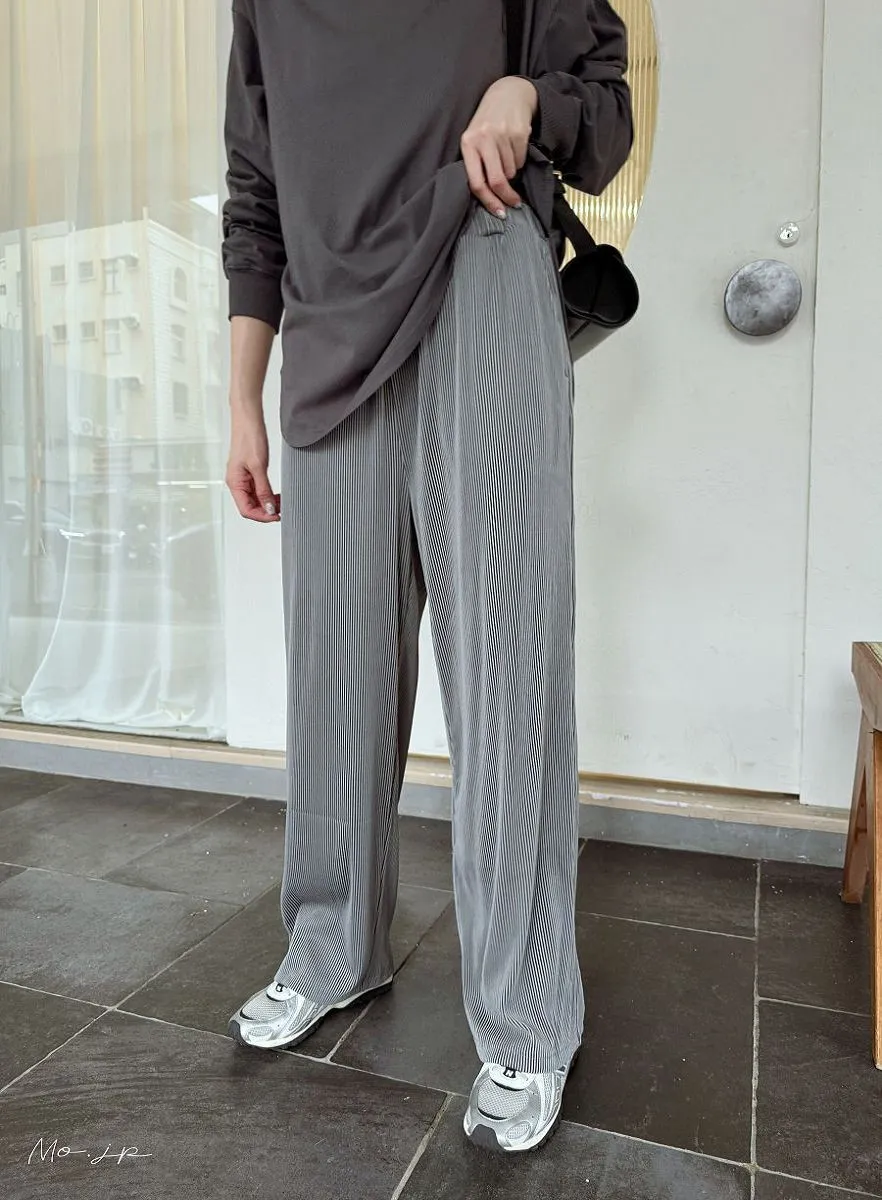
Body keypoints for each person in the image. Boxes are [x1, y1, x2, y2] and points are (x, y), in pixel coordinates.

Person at [221, 0, 632, 1155]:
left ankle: (527, 1015)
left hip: (480, 271)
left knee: (505, 673)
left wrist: (525, 96)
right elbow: (255, 192)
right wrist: (240, 399)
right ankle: (330, 947)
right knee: (335, 672)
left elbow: (607, 116)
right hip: (326, 325)